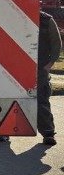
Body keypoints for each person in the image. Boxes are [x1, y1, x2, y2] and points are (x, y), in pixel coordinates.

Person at [37, 10, 61, 146]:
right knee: (10, 98)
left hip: (40, 67)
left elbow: (56, 44)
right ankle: (3, 131)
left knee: (41, 99)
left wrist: (49, 64)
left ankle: (48, 133)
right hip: (14, 68)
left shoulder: (46, 20)